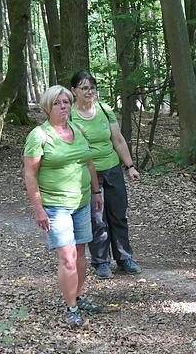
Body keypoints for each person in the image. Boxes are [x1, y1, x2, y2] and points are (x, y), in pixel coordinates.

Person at [23, 85, 104, 327]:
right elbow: (30, 175)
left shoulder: (77, 129)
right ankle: (71, 307)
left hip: (81, 202)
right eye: (58, 103)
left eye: (66, 102)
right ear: (48, 107)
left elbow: (88, 163)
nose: (63, 106)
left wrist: (96, 191)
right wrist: (38, 208)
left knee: (80, 254)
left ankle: (79, 296)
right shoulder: (39, 135)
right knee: (67, 257)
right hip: (56, 206)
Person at [70, 71, 142, 279]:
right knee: (97, 217)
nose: (89, 91)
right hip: (87, 172)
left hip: (112, 169)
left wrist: (130, 166)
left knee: (118, 214)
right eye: (84, 88)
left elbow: (118, 139)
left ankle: (124, 257)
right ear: (74, 91)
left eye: (92, 87)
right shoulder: (71, 115)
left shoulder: (104, 109)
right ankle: (101, 261)